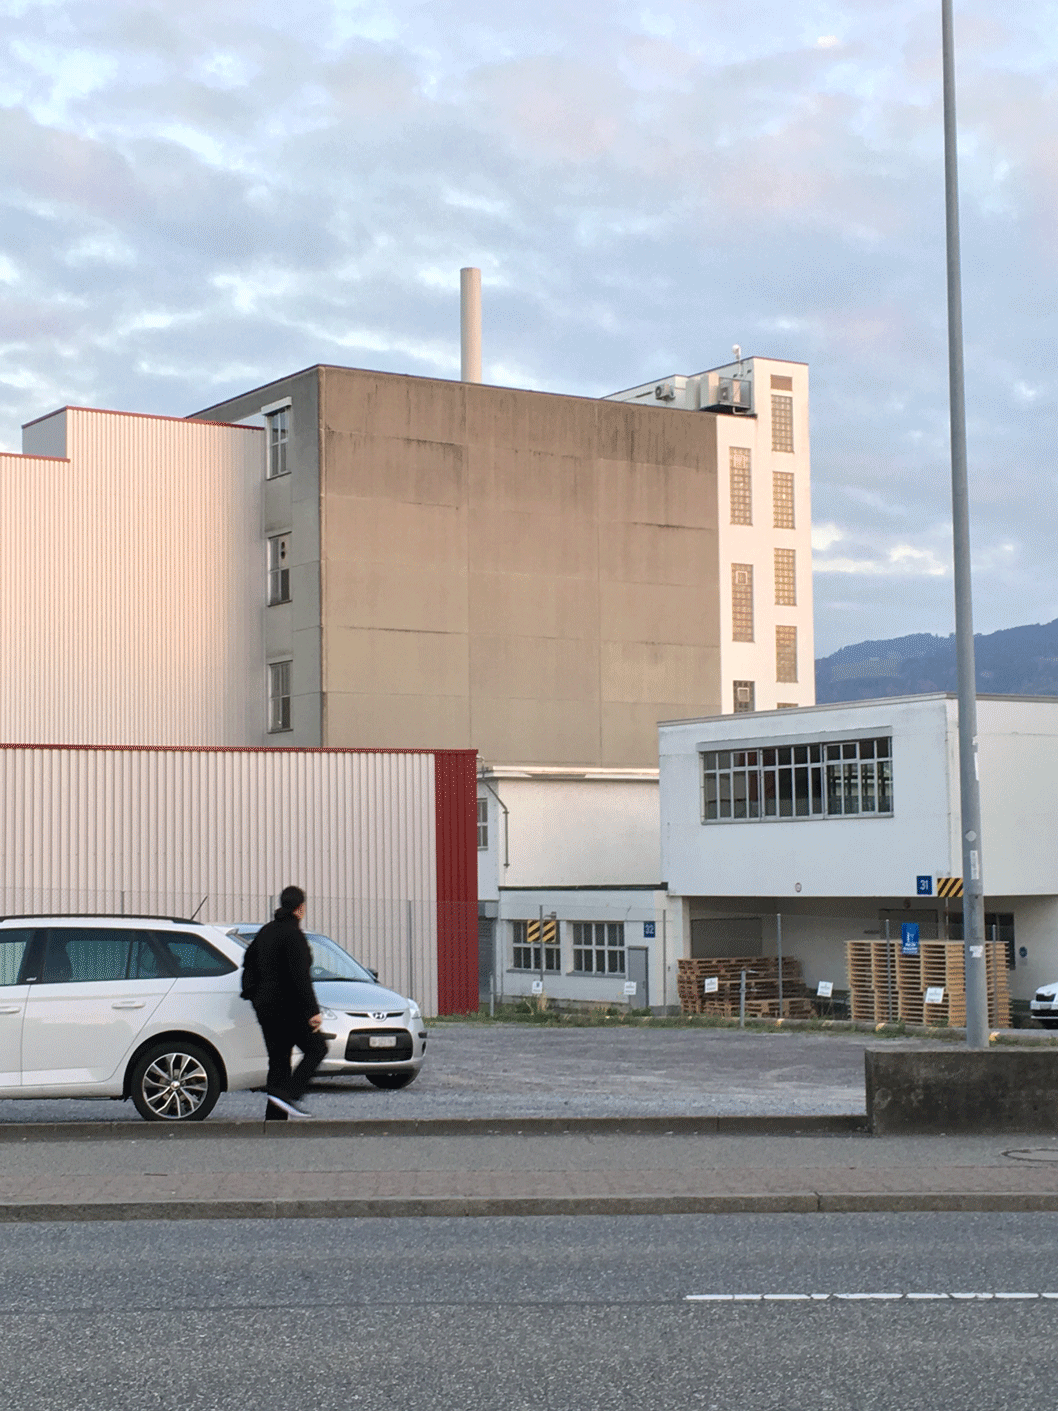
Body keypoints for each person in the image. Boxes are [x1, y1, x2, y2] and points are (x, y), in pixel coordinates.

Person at [241, 885, 328, 1120]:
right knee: (317, 1048)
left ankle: (275, 1121)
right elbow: (301, 979)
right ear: (300, 908)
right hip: (288, 1009)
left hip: (266, 1009)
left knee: (279, 1060)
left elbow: (248, 963)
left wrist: (254, 996)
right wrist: (313, 1012)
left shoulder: (266, 931)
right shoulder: (294, 936)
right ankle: (291, 1093)